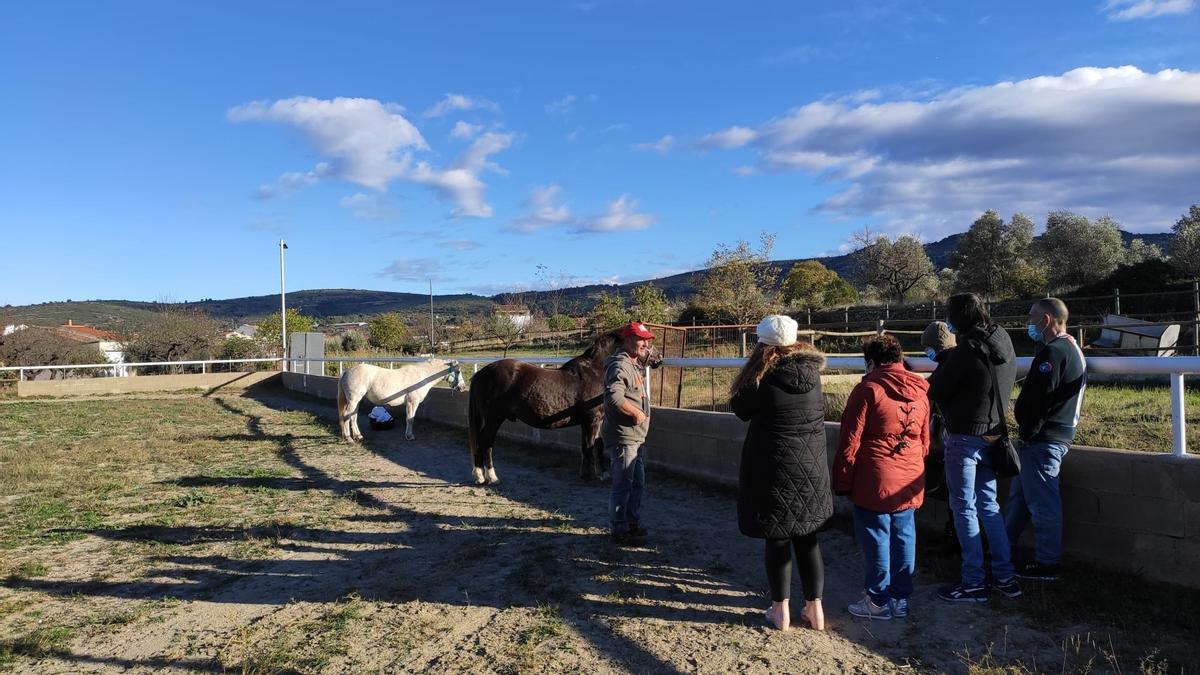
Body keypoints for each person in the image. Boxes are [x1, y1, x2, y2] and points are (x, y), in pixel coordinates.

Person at [730, 314, 831, 631]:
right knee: (808, 539)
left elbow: (739, 408)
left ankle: (780, 611)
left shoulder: (763, 378)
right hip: (812, 468)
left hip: (773, 470)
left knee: (777, 539)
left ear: (764, 344)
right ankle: (816, 611)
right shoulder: (813, 376)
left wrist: (751, 371)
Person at [928, 293, 1022, 603]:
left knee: (963, 508)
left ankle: (972, 582)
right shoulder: (1002, 339)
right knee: (989, 507)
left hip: (965, 435)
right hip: (994, 434)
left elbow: (937, 389)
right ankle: (1006, 578)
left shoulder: (966, 350)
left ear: (956, 320)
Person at [833, 334, 931, 621]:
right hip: (909, 472)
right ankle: (900, 598)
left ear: (872, 361)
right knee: (905, 534)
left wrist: (842, 479)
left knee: (876, 535)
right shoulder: (922, 389)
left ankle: (877, 599)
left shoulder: (868, 389)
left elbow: (850, 440)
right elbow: (925, 440)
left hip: (876, 473)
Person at [1006, 298, 1086, 581]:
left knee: (1042, 504)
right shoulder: (1069, 348)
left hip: (1043, 439)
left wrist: (1028, 431)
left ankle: (1047, 563)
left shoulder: (1053, 353)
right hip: (1048, 437)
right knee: (1020, 498)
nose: (1029, 323)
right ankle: (1002, 551)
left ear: (1047, 320)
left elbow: (1041, 398)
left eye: (1032, 318)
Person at [603, 321, 655, 546]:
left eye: (647, 340)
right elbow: (614, 397)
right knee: (623, 484)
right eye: (640, 339)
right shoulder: (620, 366)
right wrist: (635, 413)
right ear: (627, 340)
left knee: (636, 483)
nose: (645, 343)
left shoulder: (634, 365)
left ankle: (631, 524)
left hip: (636, 437)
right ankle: (618, 529)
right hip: (624, 436)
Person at [922, 321, 959, 553]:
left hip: (951, 438)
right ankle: (953, 533)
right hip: (958, 435)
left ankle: (954, 539)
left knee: (955, 493)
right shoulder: (955, 360)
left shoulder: (947, 366)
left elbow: (931, 391)